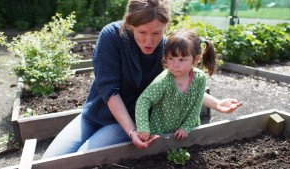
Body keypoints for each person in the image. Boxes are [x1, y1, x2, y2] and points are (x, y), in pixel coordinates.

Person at [42, 0, 242, 159]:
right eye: (142, 32)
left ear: (165, 27)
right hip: (92, 116)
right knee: (49, 160)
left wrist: (216, 104)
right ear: (130, 25)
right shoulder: (111, 36)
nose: (149, 41)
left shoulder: (166, 50)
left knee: (79, 159)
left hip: (123, 123)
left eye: (156, 33)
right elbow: (108, 88)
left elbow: (181, 83)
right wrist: (132, 132)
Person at [136, 29, 216, 141]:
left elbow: (196, 106)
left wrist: (186, 127)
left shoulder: (199, 78)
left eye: (182, 59)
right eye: (170, 58)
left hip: (190, 133)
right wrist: (143, 128)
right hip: (161, 136)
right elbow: (143, 101)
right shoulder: (164, 80)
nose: (175, 65)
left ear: (196, 59)